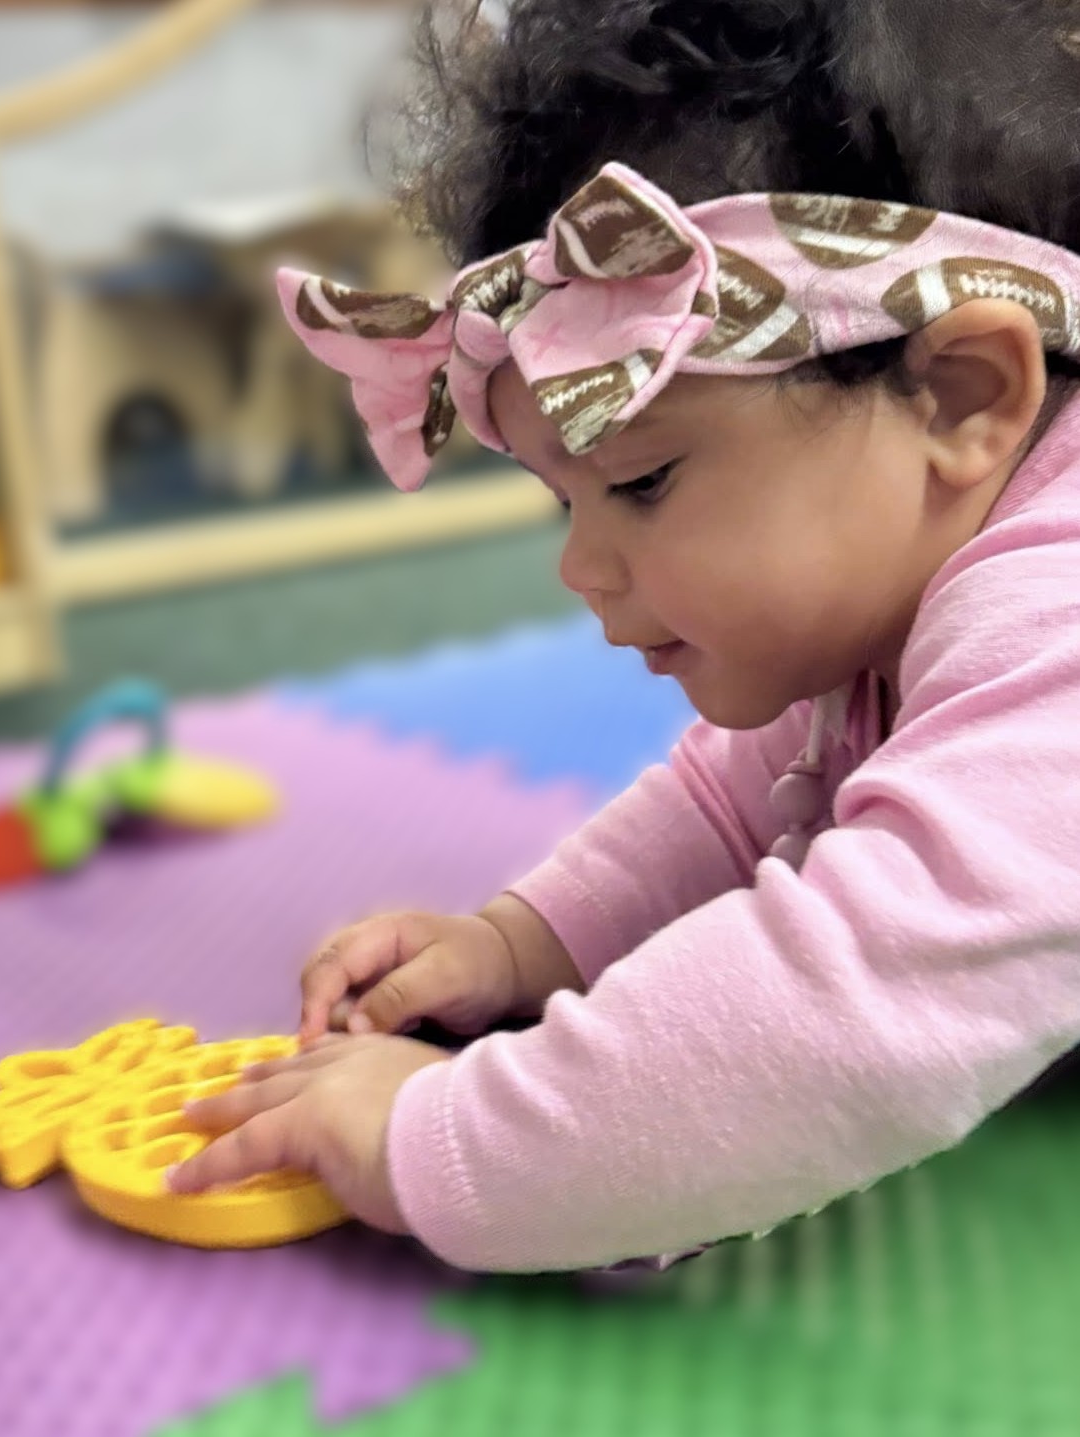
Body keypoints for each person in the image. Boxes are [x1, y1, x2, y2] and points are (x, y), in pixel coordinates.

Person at [167, 0, 1080, 1273]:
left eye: (643, 482)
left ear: (963, 394)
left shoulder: (1063, 615)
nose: (580, 567)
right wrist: (526, 943)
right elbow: (741, 799)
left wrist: (446, 1136)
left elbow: (844, 1009)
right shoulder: (896, 593)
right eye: (564, 495)